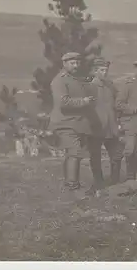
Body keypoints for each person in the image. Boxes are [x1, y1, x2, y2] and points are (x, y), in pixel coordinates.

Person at [49, 52, 95, 191]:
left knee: (73, 154)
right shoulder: (59, 81)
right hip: (65, 123)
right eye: (72, 63)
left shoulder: (74, 79)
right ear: (64, 64)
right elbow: (64, 103)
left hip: (76, 123)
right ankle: (72, 185)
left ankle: (70, 183)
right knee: (75, 153)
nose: (76, 65)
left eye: (77, 63)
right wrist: (84, 101)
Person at [85, 57, 125, 196]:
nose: (104, 73)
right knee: (95, 157)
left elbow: (118, 102)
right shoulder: (90, 87)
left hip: (112, 127)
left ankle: (115, 181)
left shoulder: (110, 86)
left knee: (116, 155)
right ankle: (99, 181)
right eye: (101, 70)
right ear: (95, 71)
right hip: (96, 128)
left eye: (106, 70)